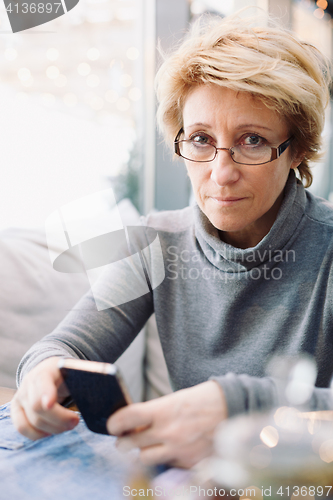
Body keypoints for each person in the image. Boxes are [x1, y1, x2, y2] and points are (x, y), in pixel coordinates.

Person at [11, 12, 333, 469]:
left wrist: (234, 405)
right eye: (201, 138)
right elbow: (65, 348)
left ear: (296, 149)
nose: (221, 173)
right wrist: (41, 374)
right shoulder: (156, 242)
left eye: (253, 140)